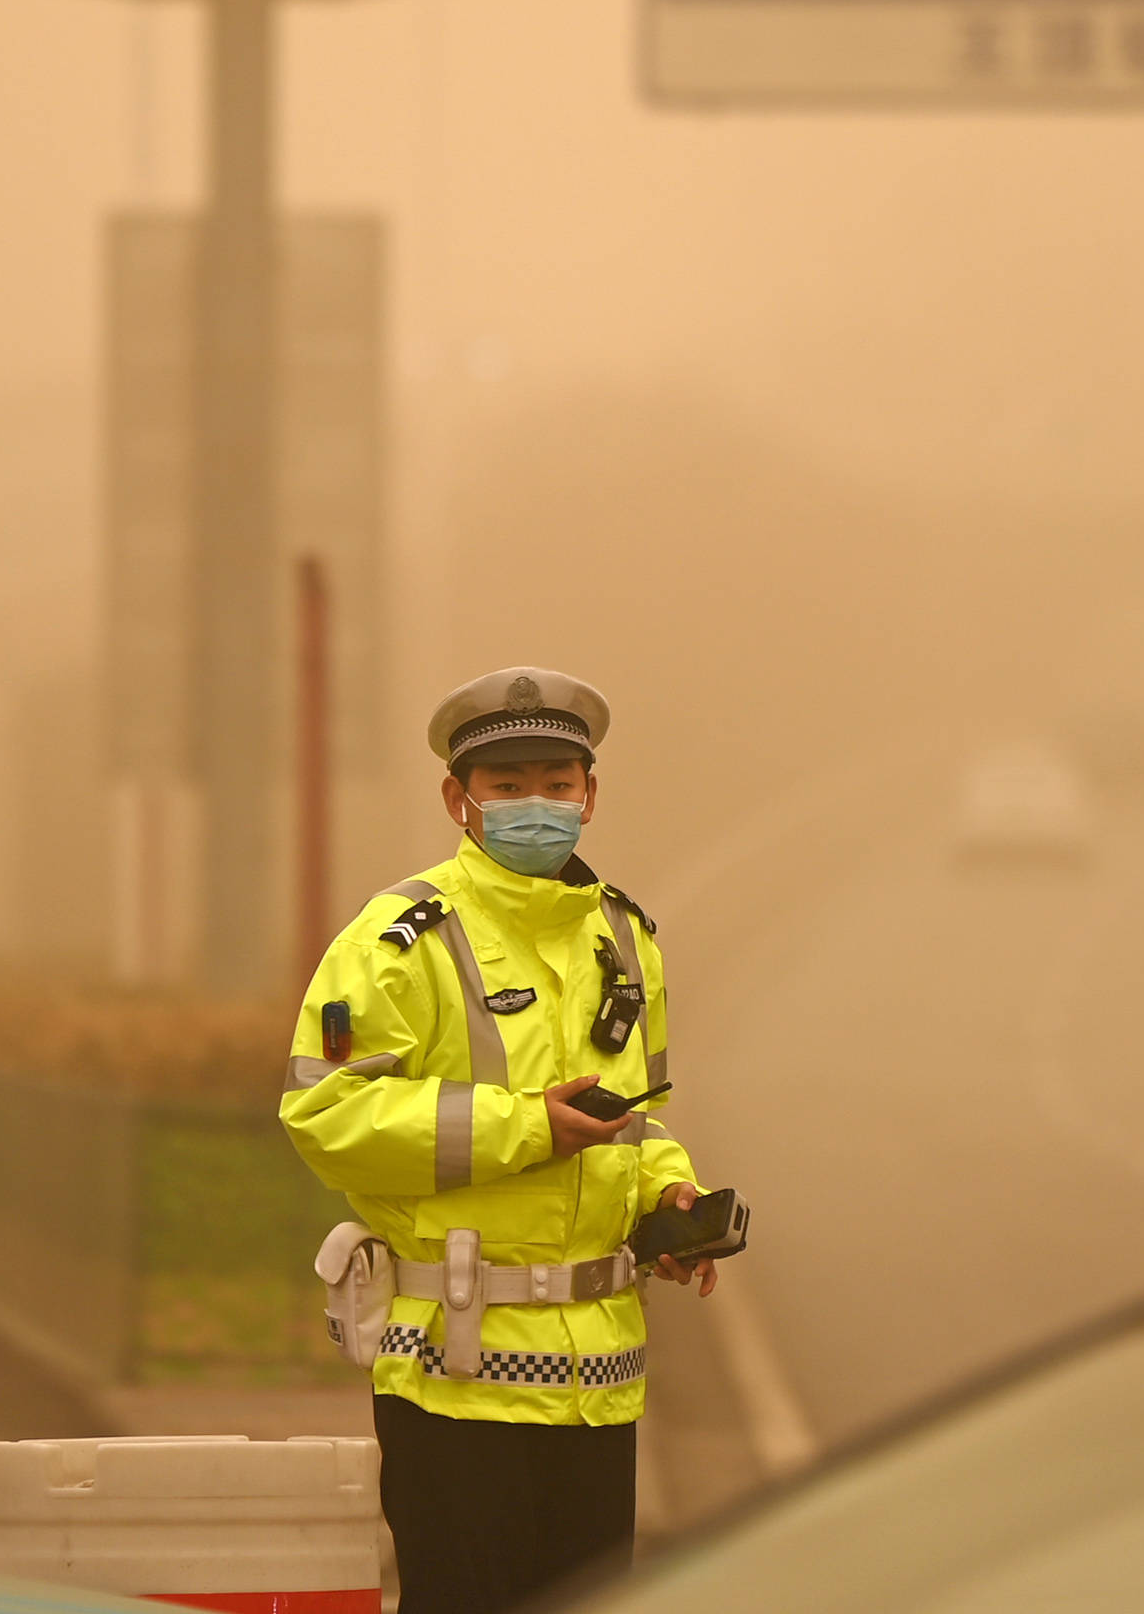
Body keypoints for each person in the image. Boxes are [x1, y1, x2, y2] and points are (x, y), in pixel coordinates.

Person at [280, 668, 724, 1614]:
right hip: (456, 1373)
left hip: (599, 1379)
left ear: (591, 795)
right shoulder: (398, 942)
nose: (537, 805)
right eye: (508, 784)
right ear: (459, 799)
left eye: (558, 784)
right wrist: (526, 1129)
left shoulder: (622, 935)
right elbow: (325, 1116)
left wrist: (666, 1201)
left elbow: (635, 1120)